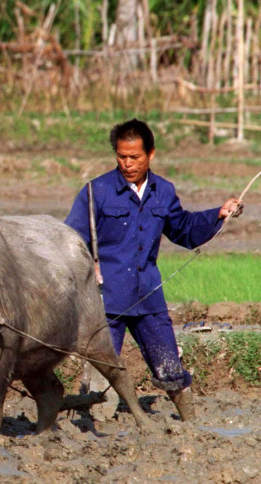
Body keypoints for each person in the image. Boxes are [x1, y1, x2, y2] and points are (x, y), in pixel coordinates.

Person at [65, 118, 242, 421]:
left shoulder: (164, 192)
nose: (128, 164)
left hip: (148, 297)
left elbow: (184, 229)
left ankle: (190, 425)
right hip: (106, 300)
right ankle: (95, 430)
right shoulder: (97, 192)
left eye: (135, 157)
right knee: (101, 375)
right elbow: (71, 240)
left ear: (151, 155)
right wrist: (90, 267)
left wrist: (219, 214)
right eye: (122, 156)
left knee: (170, 366)